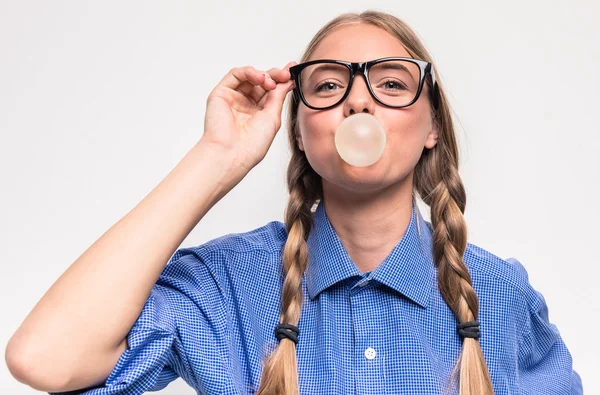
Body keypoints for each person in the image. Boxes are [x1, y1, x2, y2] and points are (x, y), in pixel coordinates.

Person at [6, 9, 583, 395]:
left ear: (432, 124)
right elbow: (44, 357)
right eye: (329, 86)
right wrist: (217, 156)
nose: (359, 103)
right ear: (301, 132)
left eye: (391, 83)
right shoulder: (227, 285)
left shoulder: (498, 297)